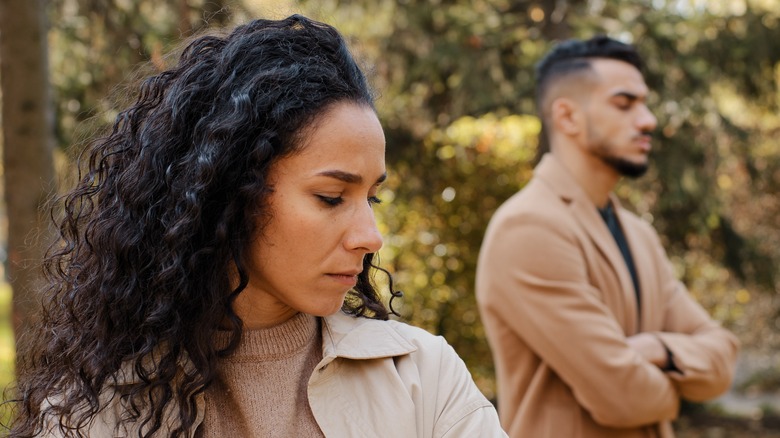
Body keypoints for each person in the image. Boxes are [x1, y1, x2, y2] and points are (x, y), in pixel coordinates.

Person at [8, 15, 506, 438]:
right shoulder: (100, 414)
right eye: (331, 197)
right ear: (229, 192)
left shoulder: (422, 377)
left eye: (370, 197)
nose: (370, 236)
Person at [475, 36, 739, 438]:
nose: (648, 119)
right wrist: (679, 385)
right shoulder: (528, 227)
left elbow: (723, 354)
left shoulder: (639, 233)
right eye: (624, 103)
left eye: (645, 103)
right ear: (567, 117)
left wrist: (656, 349)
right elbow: (624, 397)